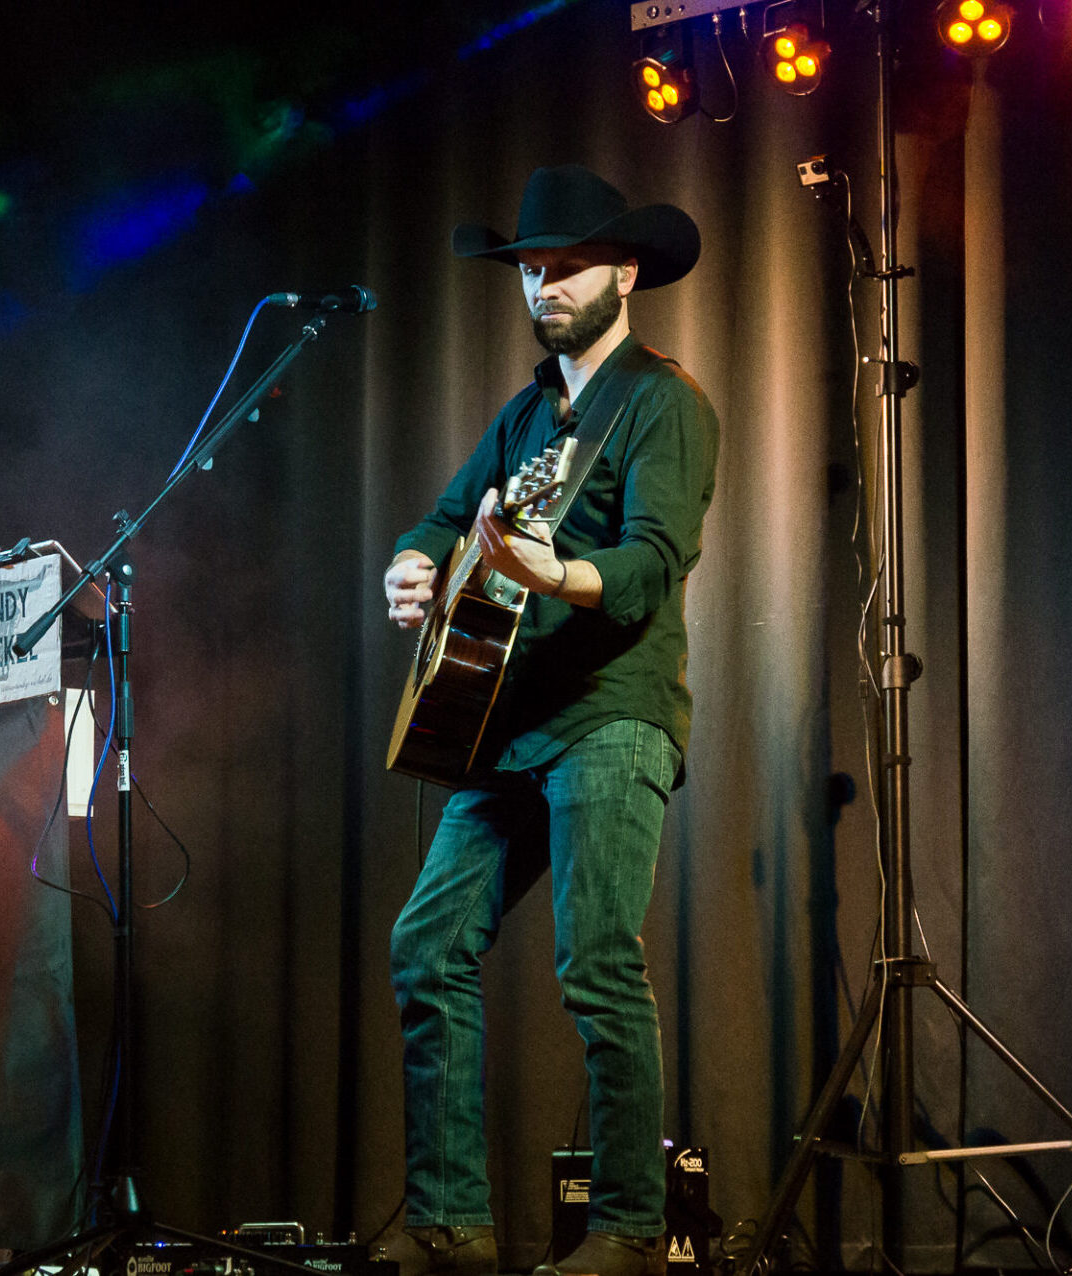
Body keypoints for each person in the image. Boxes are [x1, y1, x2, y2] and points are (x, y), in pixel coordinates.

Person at [373, 164, 719, 1276]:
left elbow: (655, 565)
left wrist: (554, 569)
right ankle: (450, 1223)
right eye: (529, 267)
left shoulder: (666, 403)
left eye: (565, 265)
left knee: (596, 961)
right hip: (505, 725)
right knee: (426, 945)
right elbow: (436, 514)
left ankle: (626, 1226)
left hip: (613, 715)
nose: (543, 283)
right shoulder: (526, 414)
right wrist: (413, 564)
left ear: (625, 273)